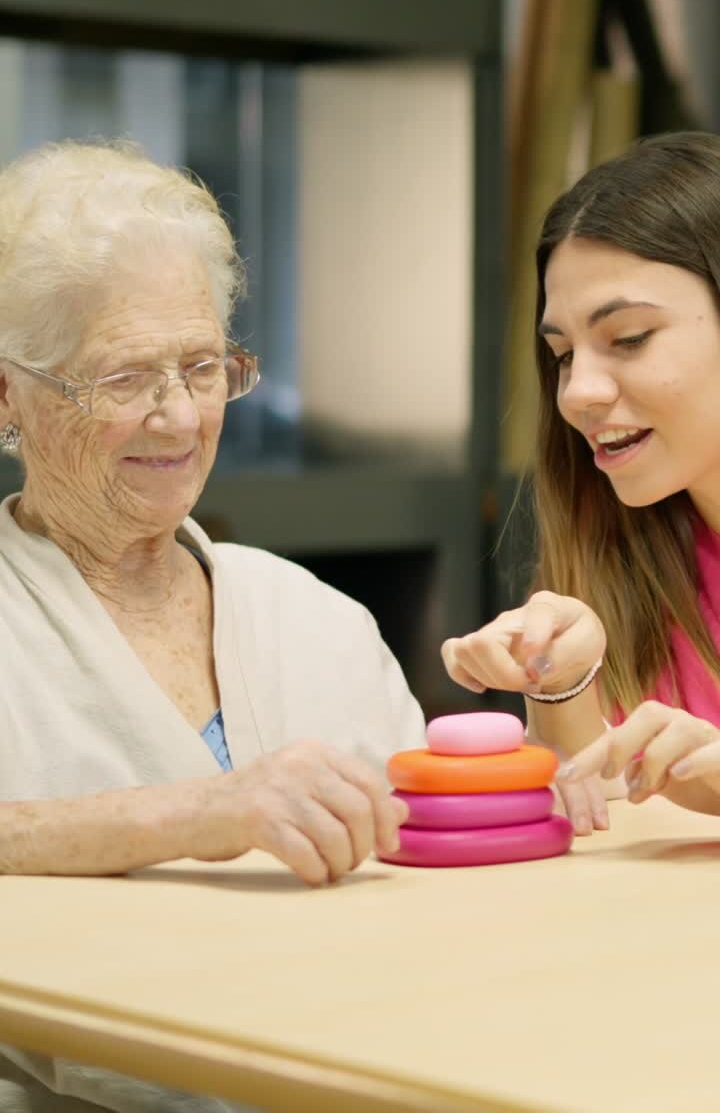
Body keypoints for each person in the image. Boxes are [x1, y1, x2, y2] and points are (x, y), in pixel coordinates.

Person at [0, 139, 426, 1112]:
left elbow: (433, 879)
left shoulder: (315, 620)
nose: (180, 416)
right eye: (123, 378)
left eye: (202, 366)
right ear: (6, 395)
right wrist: (200, 814)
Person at [442, 131, 720, 830]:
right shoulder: (631, 550)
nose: (577, 394)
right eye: (562, 354)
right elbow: (606, 833)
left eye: (628, 338)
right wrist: (561, 683)